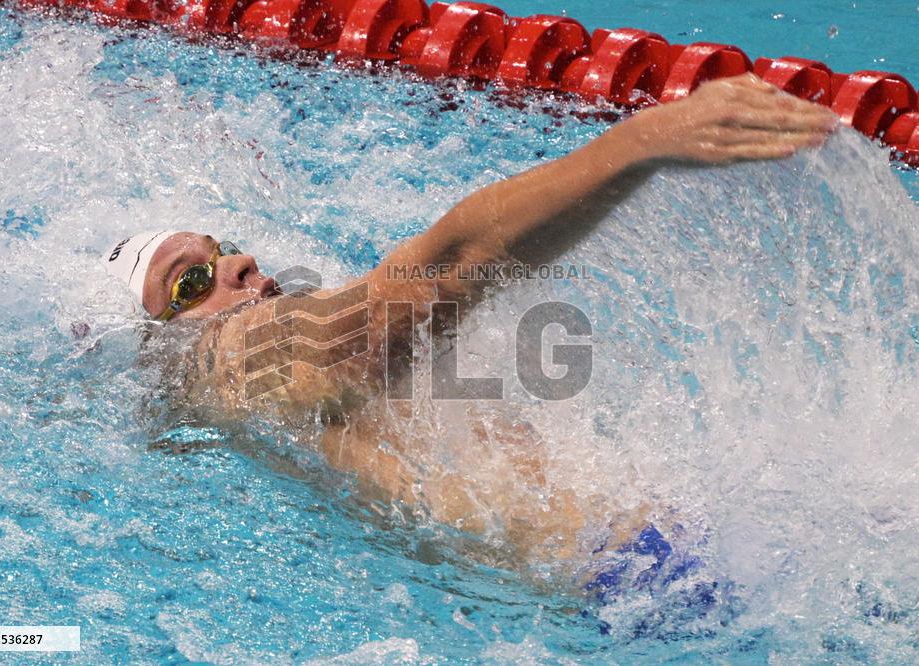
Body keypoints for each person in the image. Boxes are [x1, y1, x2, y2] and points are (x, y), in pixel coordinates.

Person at [103, 74, 837, 583]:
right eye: (190, 281)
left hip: (688, 549)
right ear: (156, 335)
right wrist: (637, 145)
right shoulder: (221, 356)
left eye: (224, 250)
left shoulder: (255, 368)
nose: (237, 266)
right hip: (648, 585)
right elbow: (436, 277)